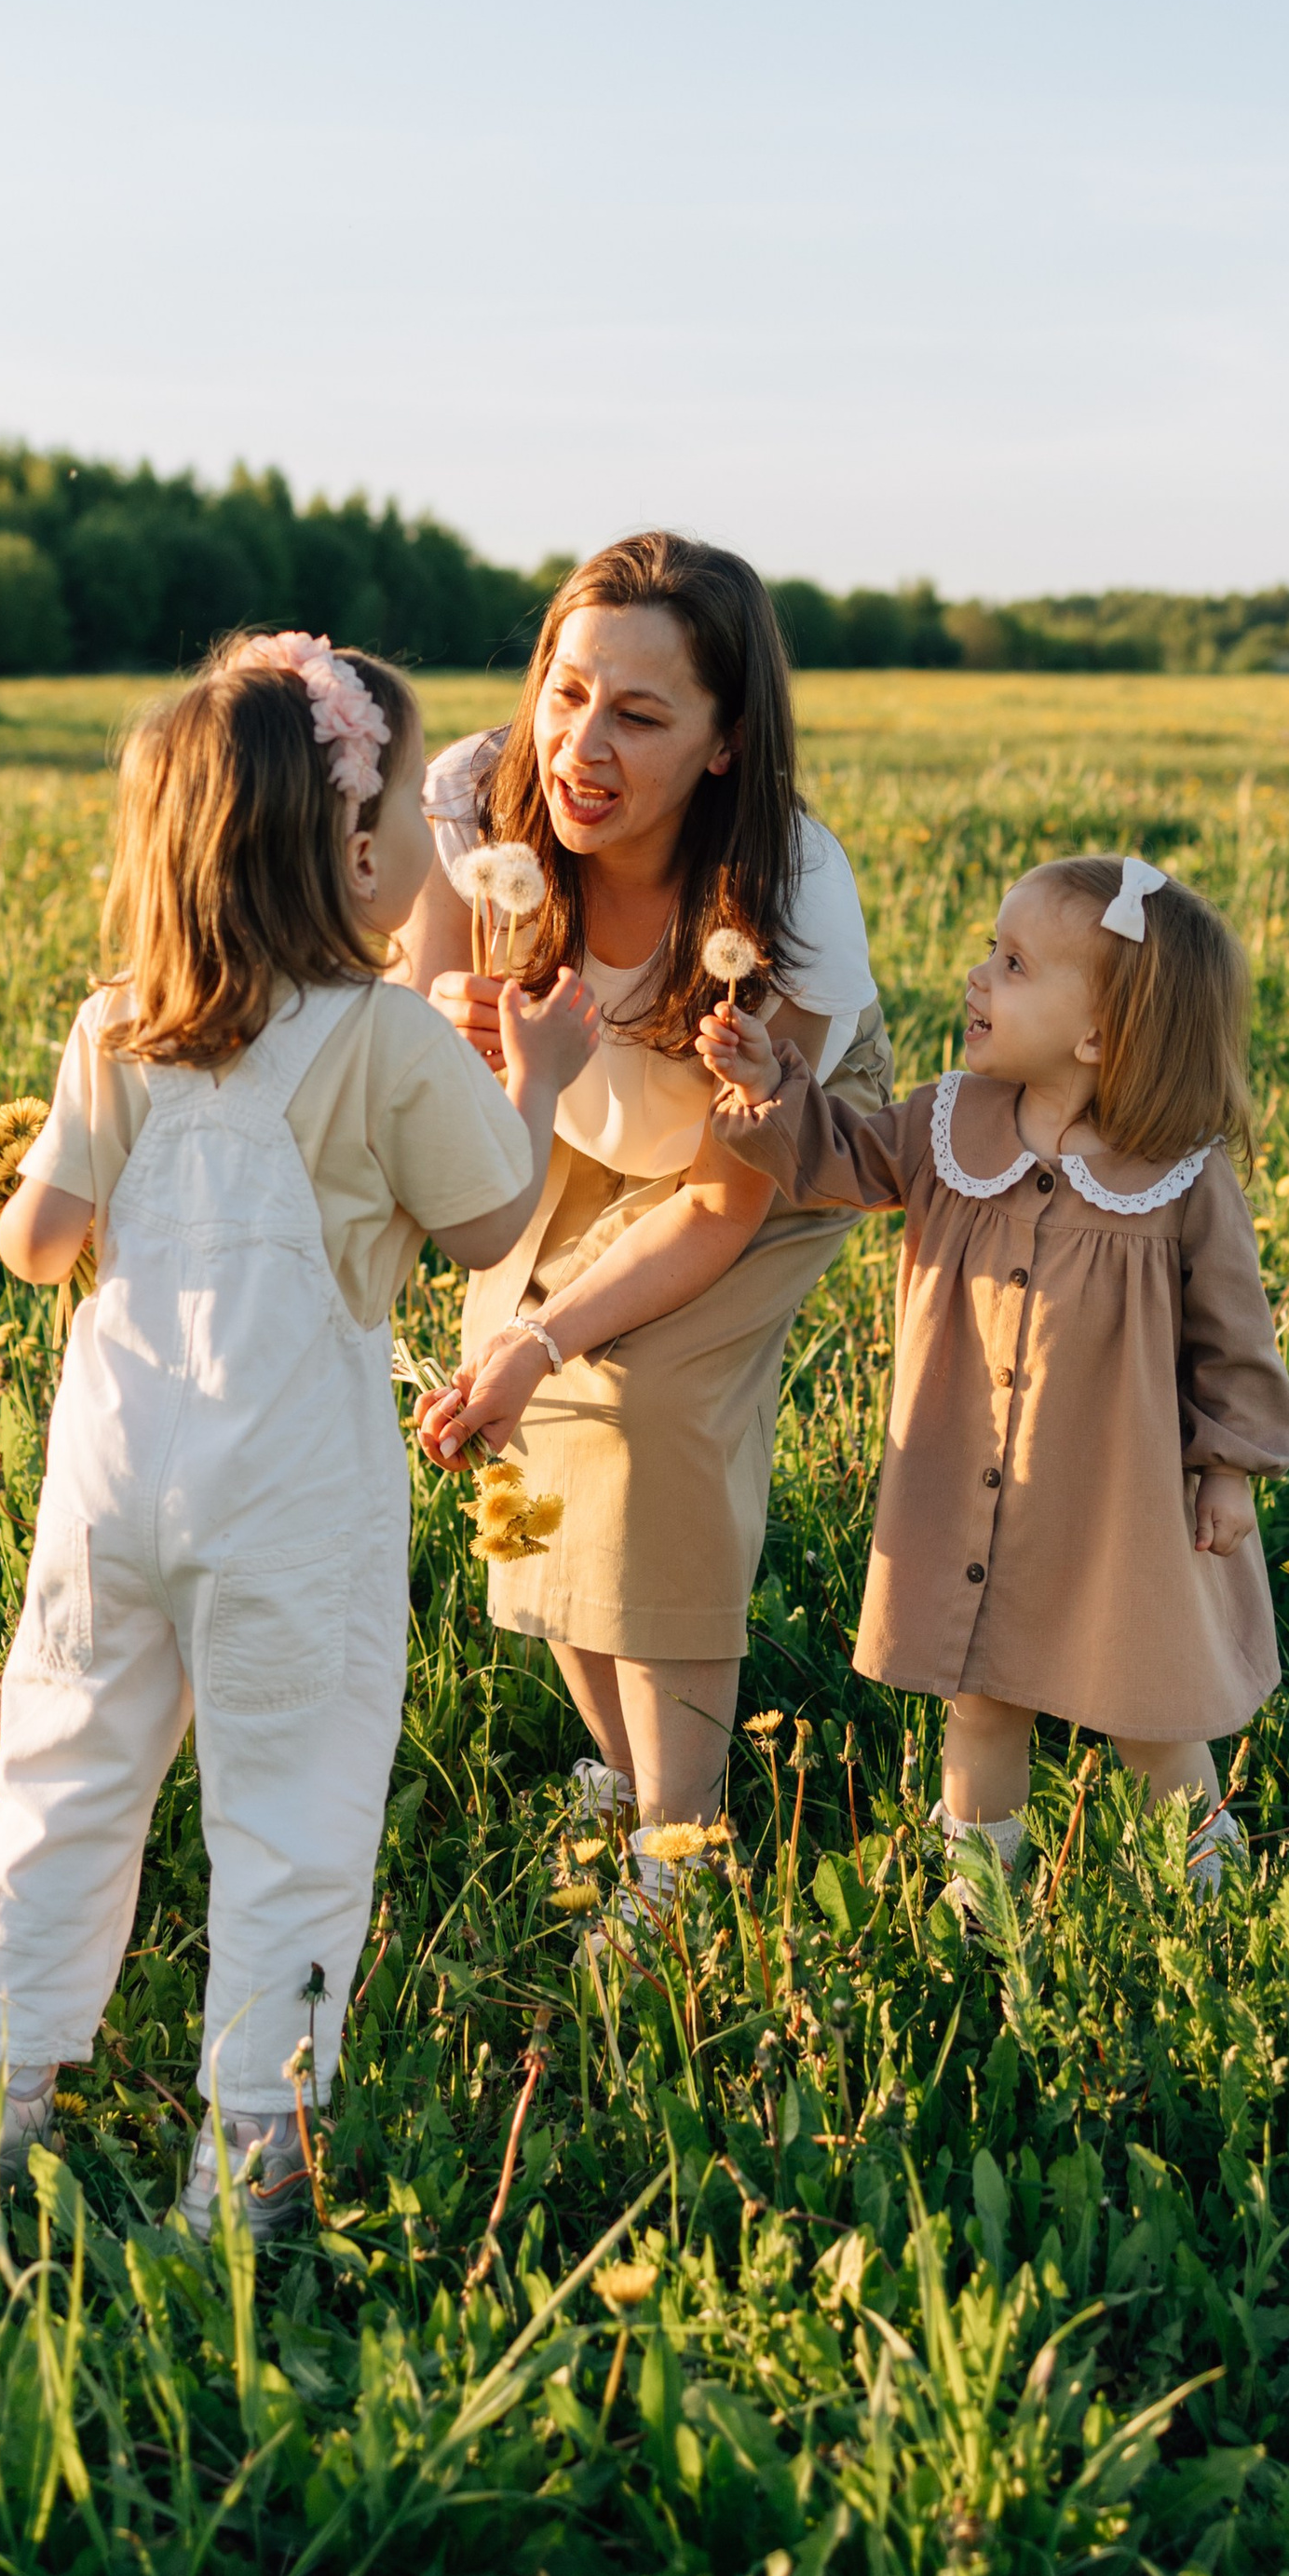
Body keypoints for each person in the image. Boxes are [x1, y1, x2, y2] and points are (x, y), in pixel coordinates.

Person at [0, 631, 596, 2231]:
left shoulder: (116, 1024)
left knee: (64, 1772)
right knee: (293, 1800)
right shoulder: (392, 1038)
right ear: (357, 856)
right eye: (417, 824)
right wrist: (542, 1080)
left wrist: (35, 1187)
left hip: (113, 1486)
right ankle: (251, 2148)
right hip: (291, 1501)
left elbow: (41, 1247)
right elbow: (494, 1232)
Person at [399, 533, 889, 1888]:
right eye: (565, 693)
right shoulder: (470, 811)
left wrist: (553, 1336)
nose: (579, 747)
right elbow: (407, 1088)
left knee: (644, 1398)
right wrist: (449, 1050)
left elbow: (718, 1209)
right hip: (570, 1097)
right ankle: (624, 1773)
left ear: (725, 744)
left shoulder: (784, 908)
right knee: (517, 1388)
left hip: (762, 1136)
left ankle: (684, 1847)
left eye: (640, 715)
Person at [699, 850, 1289, 1889]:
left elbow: (1233, 1335)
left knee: (1145, 1701)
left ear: (1100, 1034)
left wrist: (1230, 1467)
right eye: (990, 949)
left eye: (1013, 964)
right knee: (978, 1694)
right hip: (973, 1477)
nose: (977, 975)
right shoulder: (948, 1123)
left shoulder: (1179, 1177)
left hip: (1119, 1495)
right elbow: (839, 1160)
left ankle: (1198, 1876)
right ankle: (982, 1885)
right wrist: (771, 1087)